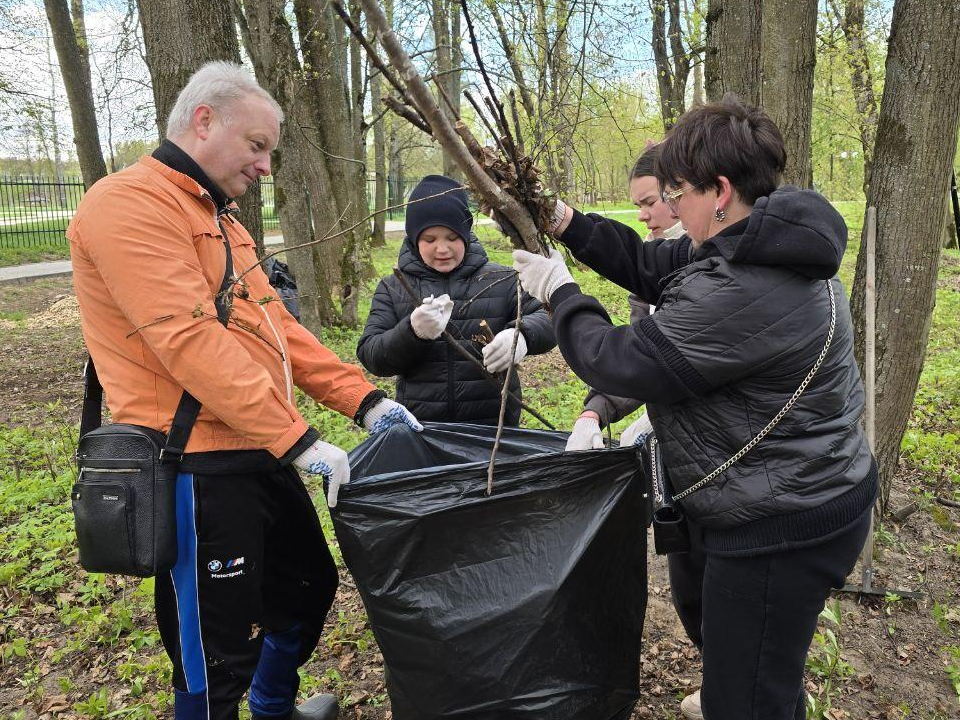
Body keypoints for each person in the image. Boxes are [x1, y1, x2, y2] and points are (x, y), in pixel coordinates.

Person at [68, 61, 422, 720]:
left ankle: (273, 707)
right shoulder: (128, 204)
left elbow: (276, 327)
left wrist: (365, 401)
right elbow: (187, 340)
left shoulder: (221, 218)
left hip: (257, 444)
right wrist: (301, 440)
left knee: (306, 589)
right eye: (256, 145)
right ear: (204, 121)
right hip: (193, 466)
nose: (265, 165)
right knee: (214, 654)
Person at [513, 95, 876, 720]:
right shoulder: (758, 242)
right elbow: (645, 262)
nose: (671, 206)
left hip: (781, 526)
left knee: (747, 702)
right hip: (786, 494)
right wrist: (565, 220)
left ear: (721, 191)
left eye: (678, 191)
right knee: (757, 671)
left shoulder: (745, 287)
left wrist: (562, 294)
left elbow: (619, 360)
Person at [357, 174, 555, 425]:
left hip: (494, 426)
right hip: (425, 428)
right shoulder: (394, 288)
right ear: (414, 239)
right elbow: (372, 355)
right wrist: (412, 332)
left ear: (465, 234)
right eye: (429, 239)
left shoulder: (501, 280)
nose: (442, 249)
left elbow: (549, 317)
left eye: (452, 238)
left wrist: (521, 336)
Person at [565, 142, 684, 452]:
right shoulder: (649, 268)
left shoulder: (708, 267)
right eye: (637, 206)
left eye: (650, 202)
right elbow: (640, 355)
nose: (642, 216)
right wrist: (594, 411)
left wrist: (561, 290)